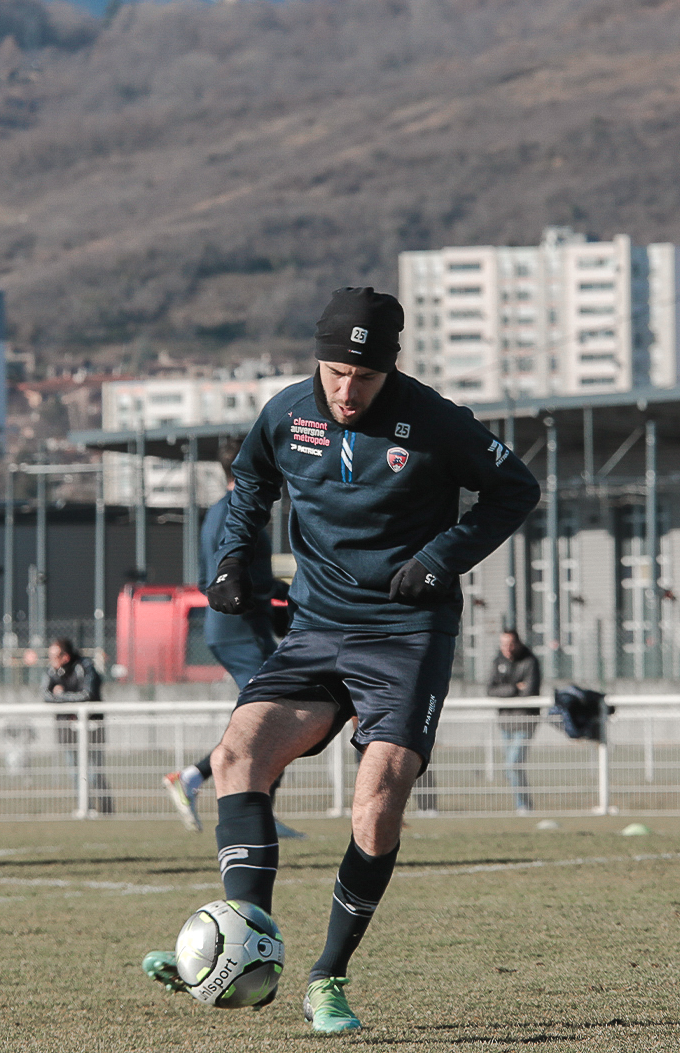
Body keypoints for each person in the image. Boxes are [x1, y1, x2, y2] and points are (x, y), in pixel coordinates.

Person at [142, 287, 539, 1033]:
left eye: (362, 376)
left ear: (388, 370)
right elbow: (252, 481)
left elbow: (516, 487)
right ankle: (243, 939)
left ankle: (327, 976)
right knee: (236, 757)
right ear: (316, 362)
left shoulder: (435, 421)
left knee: (378, 795)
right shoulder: (287, 412)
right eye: (334, 373)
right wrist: (231, 560)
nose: (346, 390)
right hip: (318, 627)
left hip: (407, 631)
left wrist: (440, 558)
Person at [163, 439, 307, 840]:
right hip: (240, 629)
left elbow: (206, 577)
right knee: (276, 715)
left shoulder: (217, 513)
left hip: (237, 626)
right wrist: (283, 589)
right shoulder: (237, 514)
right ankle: (200, 782)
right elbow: (241, 576)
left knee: (270, 718)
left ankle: (214, 787)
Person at [44, 638, 112, 815]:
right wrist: (63, 698)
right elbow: (45, 695)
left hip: (92, 726)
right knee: (75, 772)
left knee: (95, 772)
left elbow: (88, 694)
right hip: (67, 729)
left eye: (54, 656)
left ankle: (106, 810)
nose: (51, 660)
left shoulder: (85, 667)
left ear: (65, 656)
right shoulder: (52, 671)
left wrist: (62, 695)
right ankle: (85, 807)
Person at [486, 630, 542, 814]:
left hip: (525, 721)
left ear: (518, 643)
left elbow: (530, 691)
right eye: (503, 644)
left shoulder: (530, 661)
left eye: (510, 644)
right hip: (505, 722)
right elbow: (491, 690)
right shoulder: (498, 662)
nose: (507, 649)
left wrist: (509, 690)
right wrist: (514, 687)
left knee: (512, 765)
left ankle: (523, 806)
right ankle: (525, 804)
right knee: (512, 768)